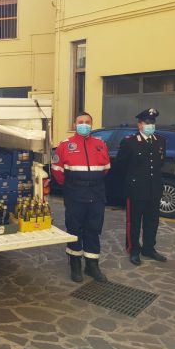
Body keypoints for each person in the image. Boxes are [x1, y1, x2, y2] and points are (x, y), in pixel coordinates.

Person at [51, 112, 110, 283]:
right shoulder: (65, 145)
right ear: (74, 124)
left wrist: (92, 181)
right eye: (80, 122)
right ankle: (75, 265)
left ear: (92, 124)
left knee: (93, 229)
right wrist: (72, 186)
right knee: (74, 229)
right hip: (75, 194)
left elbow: (106, 168)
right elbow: (57, 171)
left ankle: (92, 265)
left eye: (87, 122)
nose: (84, 125)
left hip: (97, 194)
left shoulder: (100, 144)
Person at [115, 108, 167, 266]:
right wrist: (130, 184)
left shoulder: (160, 140)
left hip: (154, 188)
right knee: (134, 222)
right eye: (147, 122)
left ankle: (149, 248)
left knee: (152, 221)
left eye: (153, 122)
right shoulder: (129, 142)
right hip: (136, 190)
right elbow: (120, 166)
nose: (150, 125)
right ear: (139, 124)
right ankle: (134, 250)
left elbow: (160, 163)